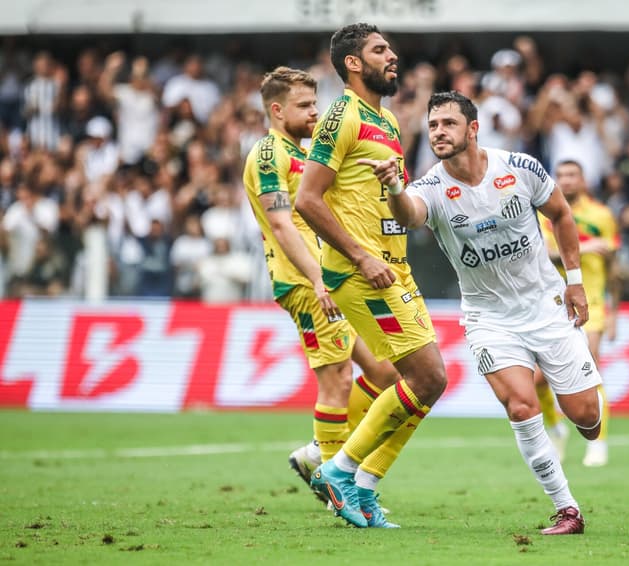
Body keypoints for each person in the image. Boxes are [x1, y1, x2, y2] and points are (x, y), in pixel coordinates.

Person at [360, 91, 604, 535]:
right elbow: (412, 215)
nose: (438, 132)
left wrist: (574, 282)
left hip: (545, 306)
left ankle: (586, 423)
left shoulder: (520, 168)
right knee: (521, 405)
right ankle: (567, 508)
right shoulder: (430, 186)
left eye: (448, 124)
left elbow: (562, 215)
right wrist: (394, 185)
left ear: (472, 129)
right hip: (488, 317)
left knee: (585, 417)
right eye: (433, 125)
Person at [294, 24, 448, 529]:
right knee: (427, 377)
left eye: (390, 48)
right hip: (362, 273)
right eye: (380, 50)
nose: (393, 56)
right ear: (353, 64)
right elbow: (308, 199)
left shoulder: (386, 123)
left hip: (395, 267)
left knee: (423, 384)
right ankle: (340, 470)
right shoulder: (340, 117)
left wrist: (400, 192)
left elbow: (401, 214)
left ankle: (362, 485)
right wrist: (361, 257)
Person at [241, 66, 403, 523]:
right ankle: (338, 486)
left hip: (326, 279)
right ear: (276, 110)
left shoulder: (302, 152)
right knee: (337, 380)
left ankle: (320, 453)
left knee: (386, 370)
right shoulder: (268, 154)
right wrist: (317, 278)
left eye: (315, 104)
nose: (315, 112)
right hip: (305, 283)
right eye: (304, 106)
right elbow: (280, 223)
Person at [537, 159, 619, 467]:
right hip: (552, 304)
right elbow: (542, 253)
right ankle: (556, 429)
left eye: (573, 175)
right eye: (561, 176)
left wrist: (615, 311)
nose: (567, 181)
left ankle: (598, 443)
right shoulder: (542, 213)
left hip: (593, 302)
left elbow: (613, 264)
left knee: (592, 368)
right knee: (538, 382)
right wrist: (581, 248)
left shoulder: (601, 216)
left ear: (583, 180)